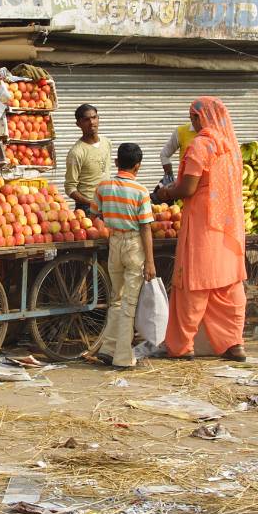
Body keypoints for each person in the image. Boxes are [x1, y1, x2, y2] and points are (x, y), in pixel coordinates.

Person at [154, 97, 247, 361]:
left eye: (193, 117)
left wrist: (165, 194)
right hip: (228, 224)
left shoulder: (200, 146)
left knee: (193, 282)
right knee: (227, 285)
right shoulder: (230, 146)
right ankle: (234, 344)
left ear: (200, 117)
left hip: (203, 221)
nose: (192, 122)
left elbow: (188, 188)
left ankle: (181, 346)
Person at [91, 143, 156, 368]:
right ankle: (122, 357)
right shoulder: (141, 191)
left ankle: (108, 349)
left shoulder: (103, 187)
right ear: (137, 166)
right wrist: (150, 261)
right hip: (134, 244)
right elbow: (146, 227)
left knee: (115, 299)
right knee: (129, 303)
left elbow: (94, 213)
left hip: (114, 242)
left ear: (117, 162)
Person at [65, 104, 112, 214]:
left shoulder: (107, 142)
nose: (92, 122)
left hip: (108, 204)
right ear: (78, 124)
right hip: (87, 209)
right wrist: (90, 203)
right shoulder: (76, 152)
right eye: (86, 119)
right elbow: (70, 188)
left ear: (98, 118)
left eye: (94, 117)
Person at [159, 112, 201, 183]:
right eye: (192, 118)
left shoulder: (215, 132)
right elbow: (164, 154)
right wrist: (169, 177)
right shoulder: (182, 131)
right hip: (187, 182)